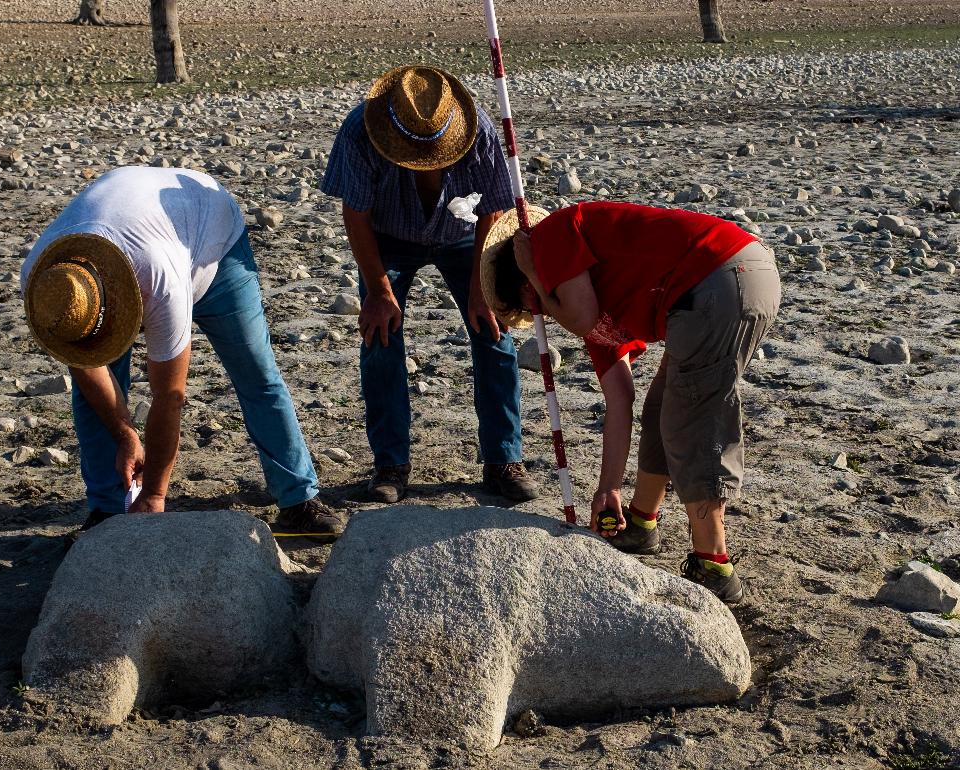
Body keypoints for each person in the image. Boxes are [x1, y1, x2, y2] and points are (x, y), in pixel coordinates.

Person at [479, 201, 781, 604]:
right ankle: (641, 521)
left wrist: (534, 272)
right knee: (662, 406)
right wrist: (609, 489)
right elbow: (620, 400)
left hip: (719, 279)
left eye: (529, 301)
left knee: (692, 419)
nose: (540, 312)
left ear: (526, 268)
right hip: (720, 282)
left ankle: (714, 564)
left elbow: (580, 318)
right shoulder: (591, 299)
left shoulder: (548, 239)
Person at [21, 166, 344, 539]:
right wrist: (126, 435)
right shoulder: (47, 284)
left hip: (212, 238)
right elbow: (86, 367)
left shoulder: (159, 280)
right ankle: (107, 512)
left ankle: (299, 500)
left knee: (255, 372)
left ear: (130, 304)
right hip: (140, 235)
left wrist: (156, 494)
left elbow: (169, 397)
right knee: (94, 394)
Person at [319, 64, 538, 504]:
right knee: (380, 338)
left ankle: (503, 459)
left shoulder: (476, 133)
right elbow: (355, 215)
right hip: (387, 239)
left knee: (494, 332)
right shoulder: (361, 132)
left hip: (463, 236)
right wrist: (379, 291)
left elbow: (494, 208)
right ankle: (390, 465)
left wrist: (482, 286)